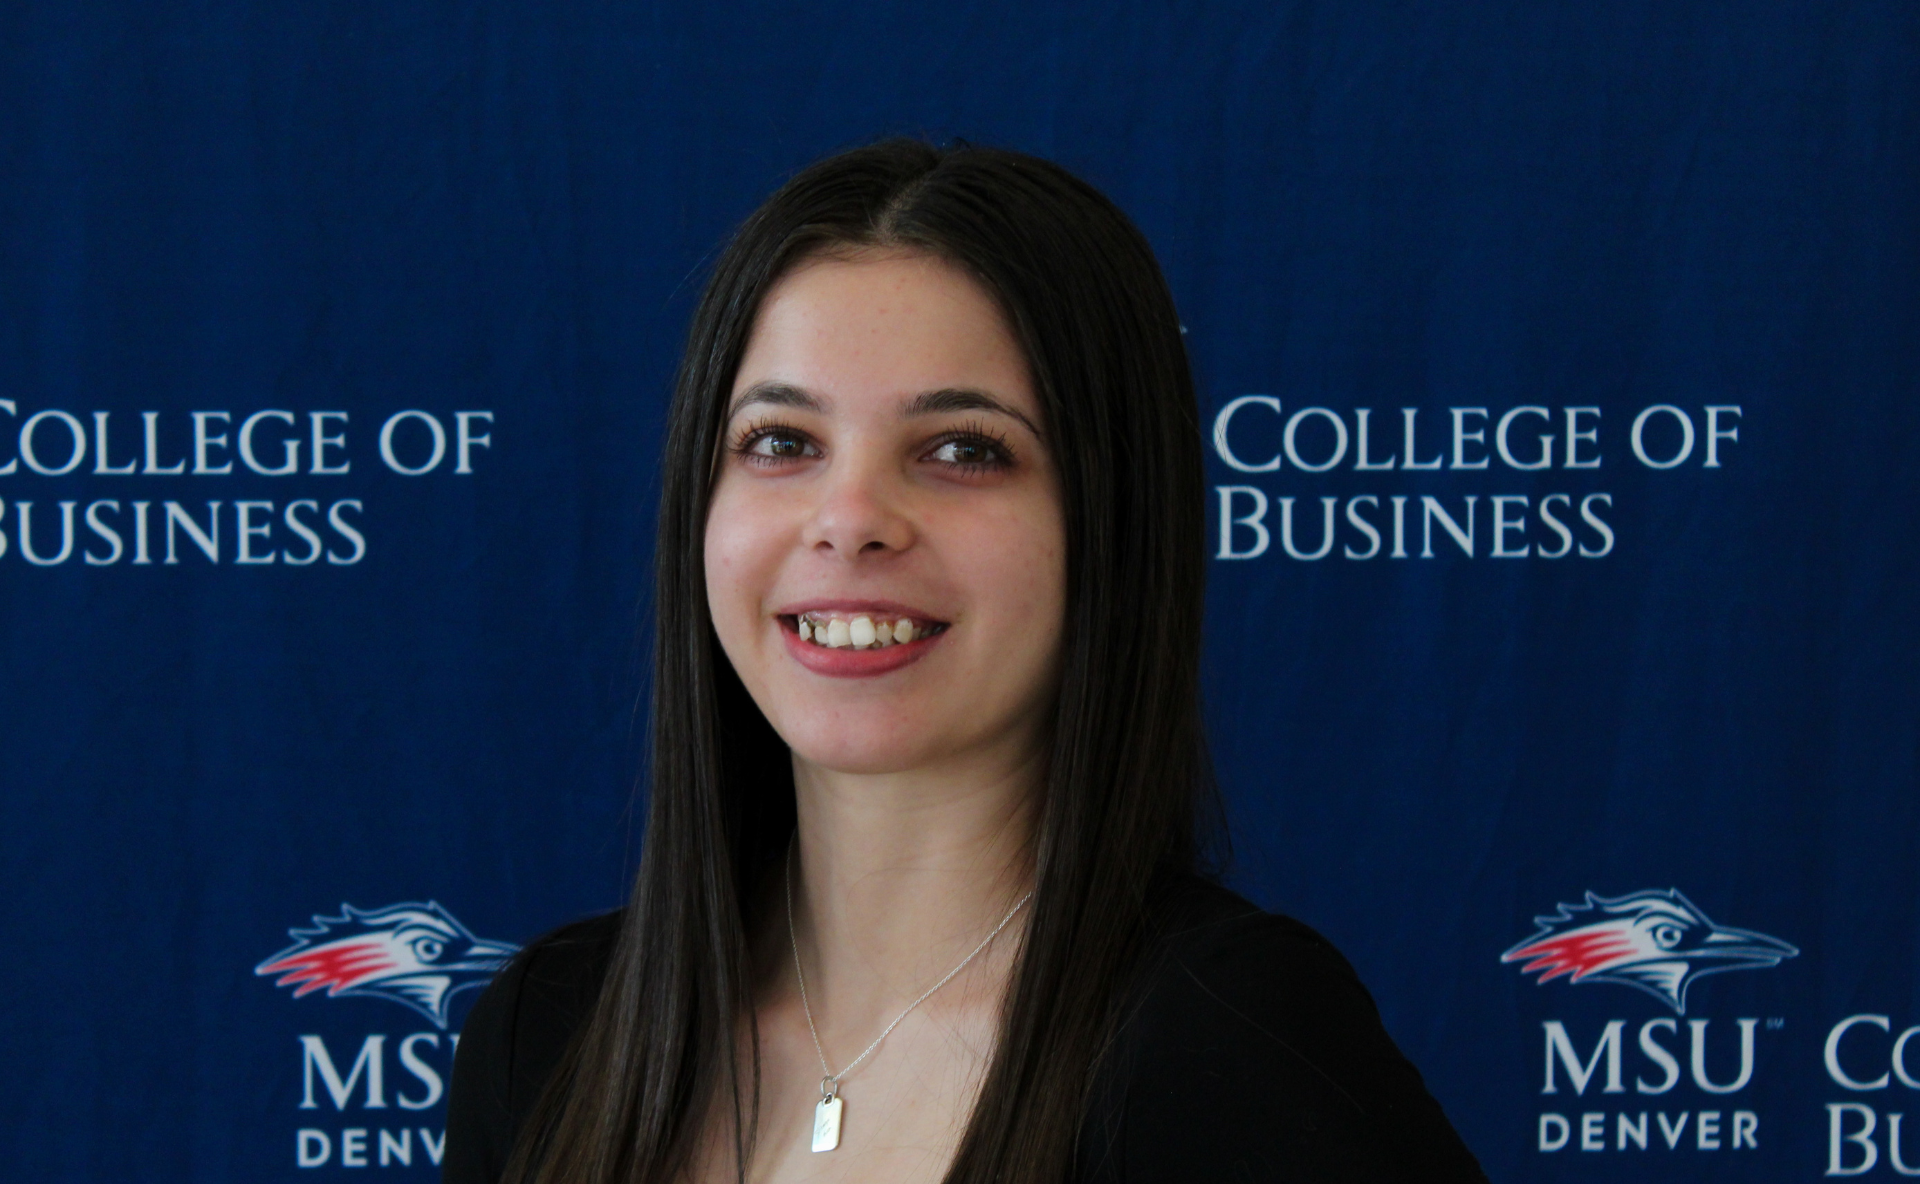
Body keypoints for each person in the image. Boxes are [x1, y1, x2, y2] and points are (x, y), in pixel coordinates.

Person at [443, 138, 1486, 1184]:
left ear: (1110, 522)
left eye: (964, 449)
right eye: (781, 441)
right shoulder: (543, 1038)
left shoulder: (1227, 1048)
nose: (849, 520)